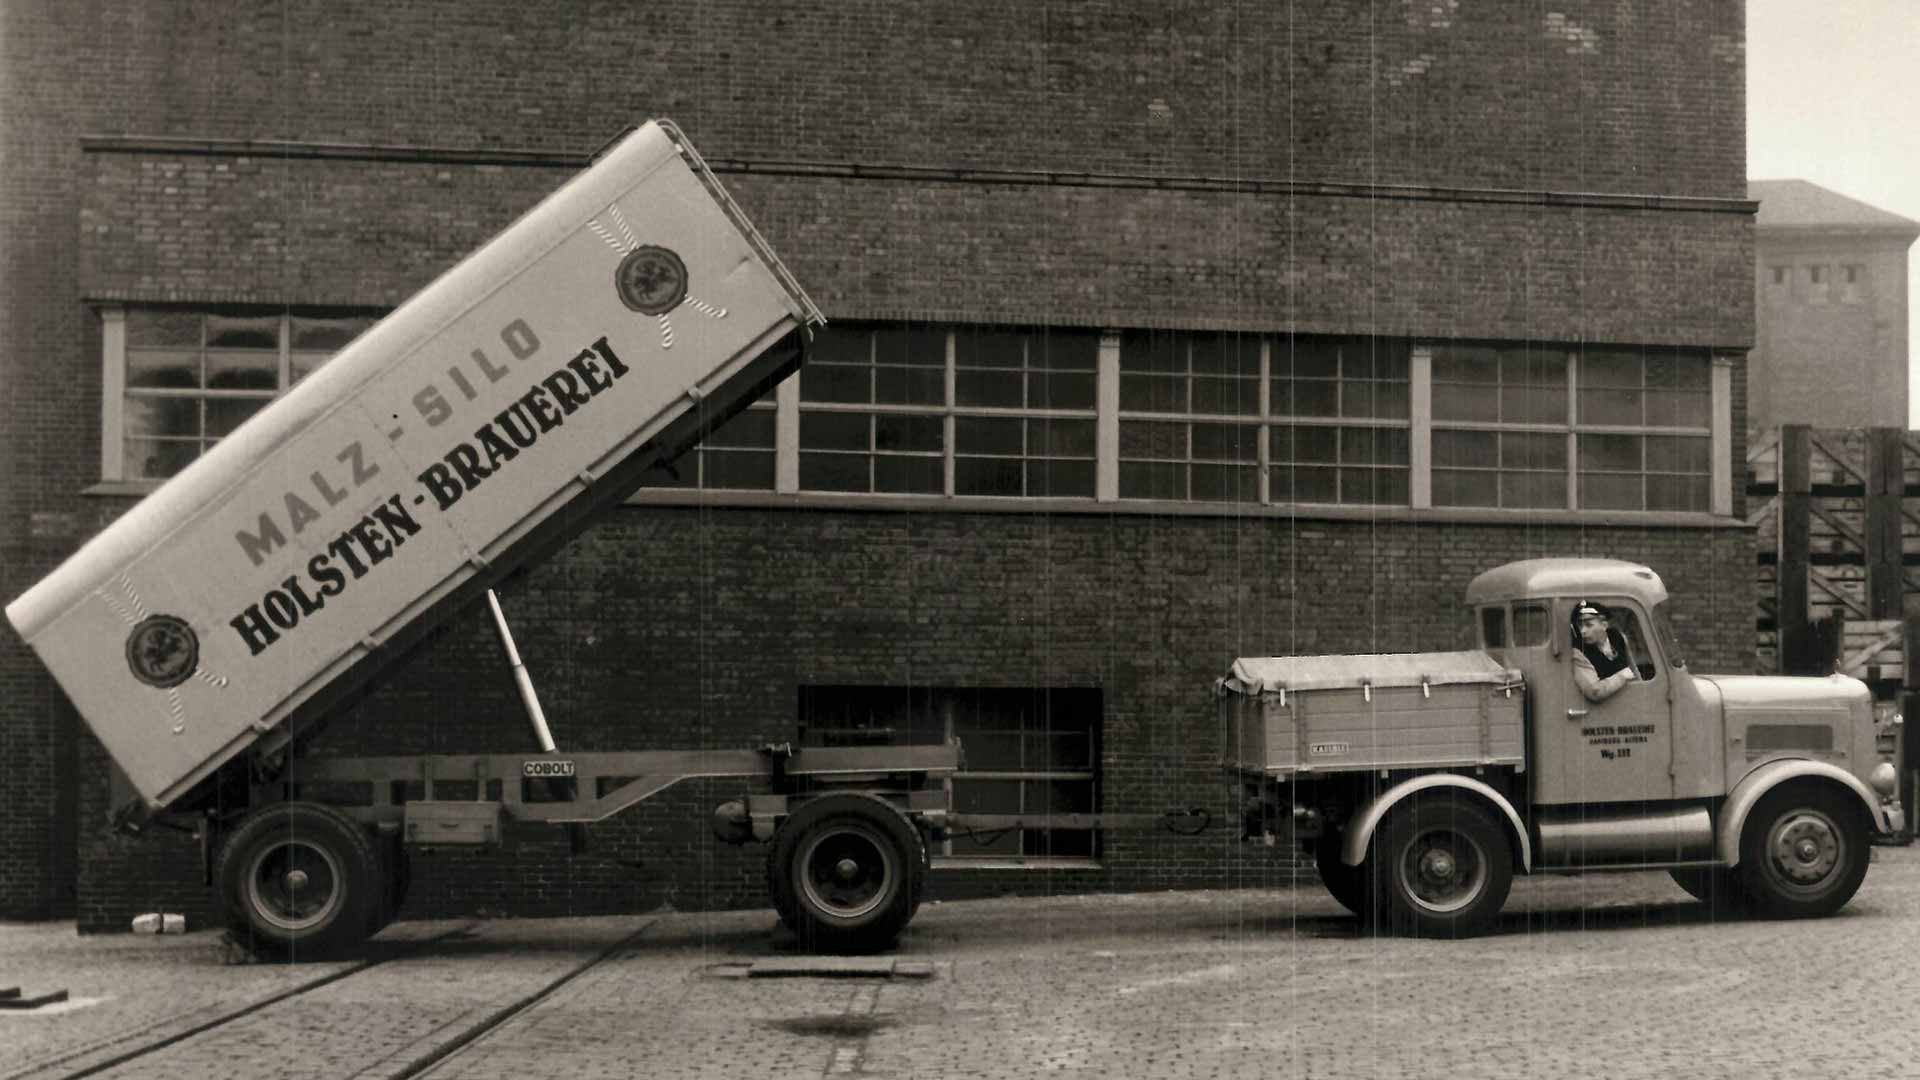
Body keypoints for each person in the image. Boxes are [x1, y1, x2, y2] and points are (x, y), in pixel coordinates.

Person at [1571, 601, 1638, 702]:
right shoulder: (1578, 652)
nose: (1582, 631)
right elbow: (1595, 691)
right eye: (1580, 625)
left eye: (1589, 625)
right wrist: (1622, 676)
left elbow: (1634, 670)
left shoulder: (1618, 637)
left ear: (1604, 625)